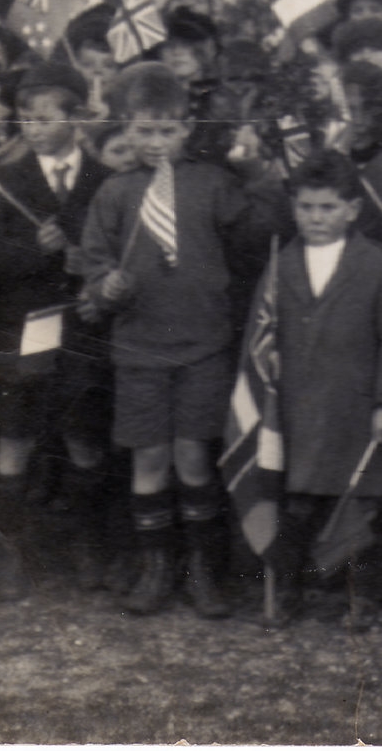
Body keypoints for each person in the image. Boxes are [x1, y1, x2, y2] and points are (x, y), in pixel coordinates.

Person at [75, 62, 268, 619]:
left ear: (186, 129)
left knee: (193, 457)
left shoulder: (211, 183)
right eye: (142, 131)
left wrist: (254, 169)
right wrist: (105, 283)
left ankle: (202, 570)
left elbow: (258, 233)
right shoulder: (114, 192)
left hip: (202, 344)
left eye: (166, 131)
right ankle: (155, 567)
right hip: (139, 348)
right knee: (150, 458)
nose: (155, 142)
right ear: (126, 130)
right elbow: (93, 260)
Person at [0, 60, 110, 589]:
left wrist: (92, 275)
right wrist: (32, 249)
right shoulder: (7, 181)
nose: (34, 128)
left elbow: (117, 250)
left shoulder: (103, 180)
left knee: (84, 436)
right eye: (26, 118)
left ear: (76, 119)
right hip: (24, 328)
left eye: (46, 118)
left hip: (83, 329)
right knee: (17, 434)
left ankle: (88, 549)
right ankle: (11, 555)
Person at [257, 152, 382, 631]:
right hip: (298, 407)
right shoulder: (280, 264)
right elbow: (261, 334)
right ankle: (289, 591)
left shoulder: (375, 266)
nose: (316, 218)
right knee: (297, 506)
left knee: (357, 504)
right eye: (306, 207)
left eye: (327, 208)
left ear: (352, 210)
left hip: (355, 407)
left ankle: (360, 595)